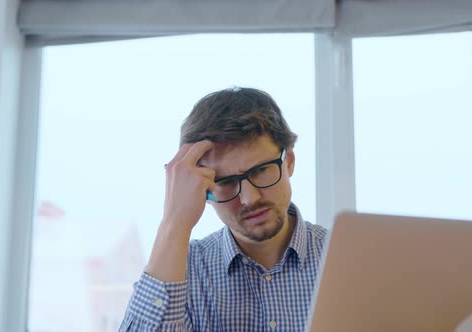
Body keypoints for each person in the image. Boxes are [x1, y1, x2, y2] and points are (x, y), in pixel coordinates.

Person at [119, 87, 327, 331]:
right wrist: (174, 222)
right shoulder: (180, 270)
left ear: (289, 162)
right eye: (226, 182)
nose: (249, 199)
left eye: (261, 170)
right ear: (202, 189)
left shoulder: (347, 255)